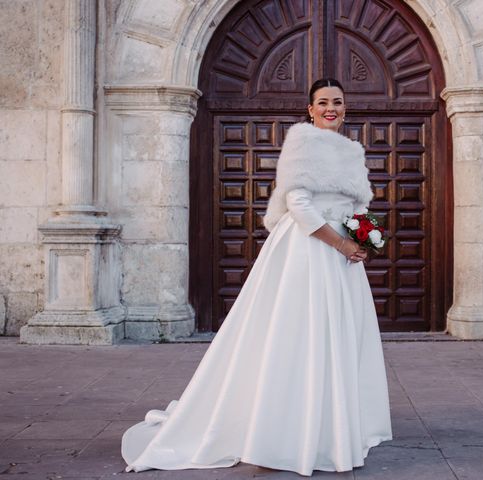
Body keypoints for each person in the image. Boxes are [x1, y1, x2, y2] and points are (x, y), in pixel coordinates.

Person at [120, 78, 393, 476]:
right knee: (299, 335)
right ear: (310, 109)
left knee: (337, 338)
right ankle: (283, 431)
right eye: (322, 102)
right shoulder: (302, 143)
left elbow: (353, 205)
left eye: (337, 102)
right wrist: (343, 244)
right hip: (308, 251)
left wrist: (362, 233)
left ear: (345, 108)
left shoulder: (352, 152)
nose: (330, 108)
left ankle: (330, 429)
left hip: (340, 260)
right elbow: (299, 205)